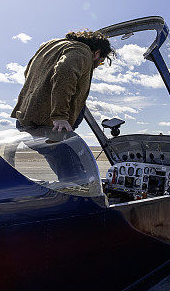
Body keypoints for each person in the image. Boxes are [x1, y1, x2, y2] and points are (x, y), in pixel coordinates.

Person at [11, 30, 115, 183]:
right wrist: (59, 116)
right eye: (100, 62)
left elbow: (28, 72)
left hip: (25, 121)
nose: (97, 66)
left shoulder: (49, 46)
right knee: (80, 181)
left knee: (66, 170)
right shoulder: (82, 51)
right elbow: (65, 70)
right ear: (97, 53)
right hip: (50, 128)